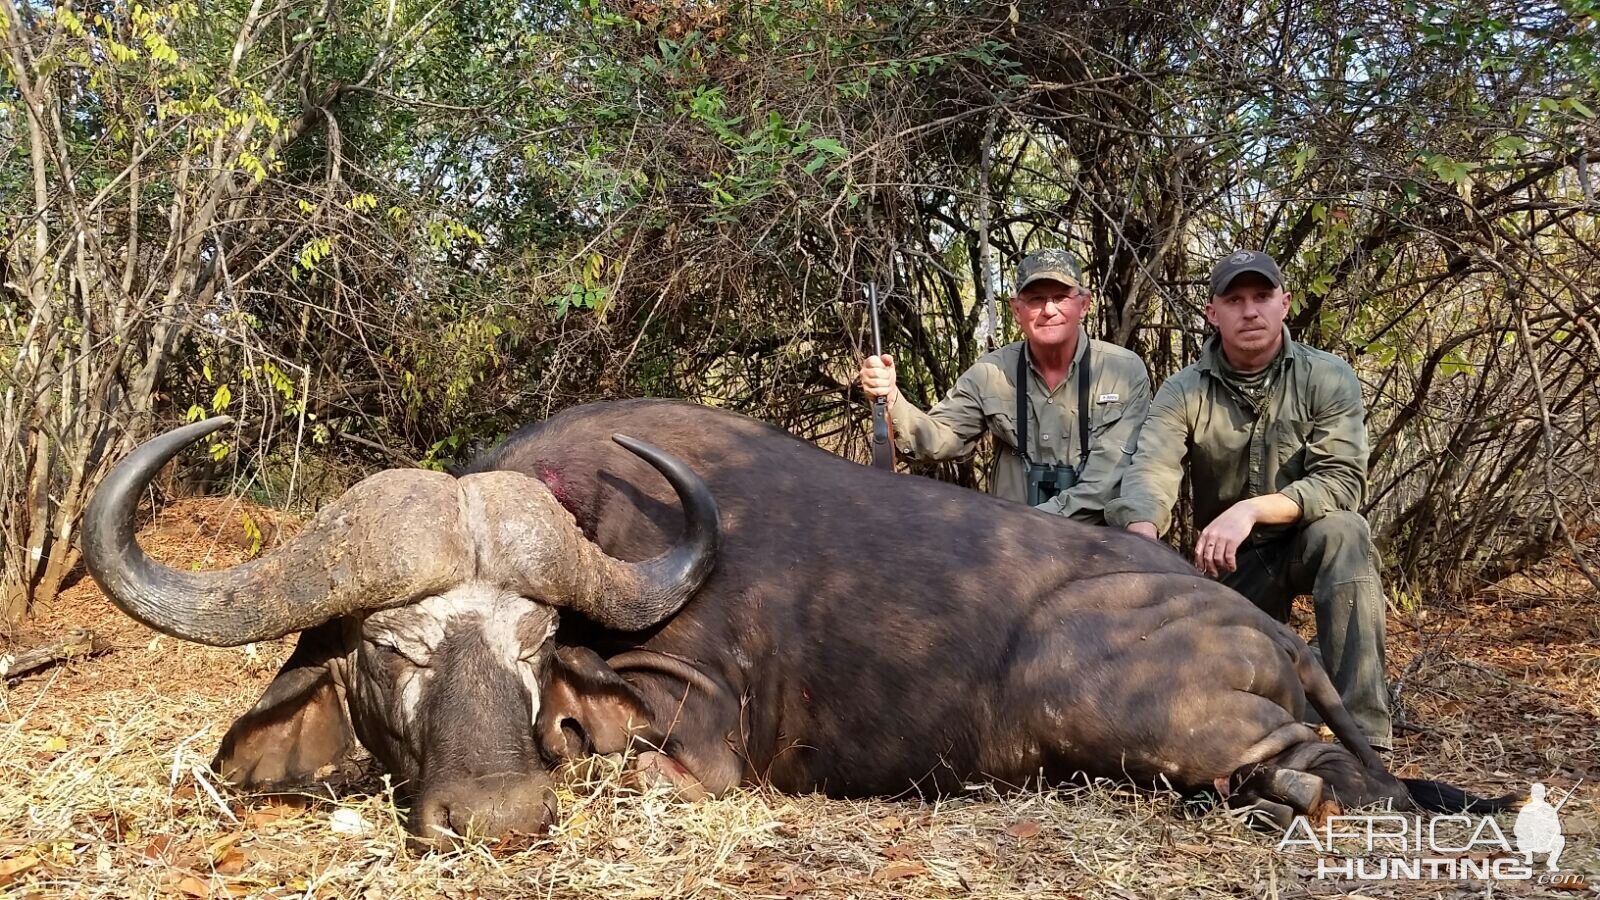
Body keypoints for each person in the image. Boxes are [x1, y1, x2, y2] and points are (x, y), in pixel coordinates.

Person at [1105, 249, 1393, 748]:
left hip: (1301, 541)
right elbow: (1152, 470)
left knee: (1347, 533)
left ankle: (1366, 736)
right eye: (1234, 300)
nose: (1250, 311)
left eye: (1262, 297)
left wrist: (1251, 509)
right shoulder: (1183, 390)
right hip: (1226, 566)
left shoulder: (1326, 376)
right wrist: (1141, 541)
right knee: (1191, 682)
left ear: (1284, 303)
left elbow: (1342, 481)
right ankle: (1305, 684)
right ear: (1213, 315)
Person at [858, 248, 1151, 523]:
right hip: (1009, 554)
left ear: (1083, 304)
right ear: (1016, 309)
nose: (1049, 310)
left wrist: (1029, 525)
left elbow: (1106, 483)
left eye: (1061, 297)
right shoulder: (991, 372)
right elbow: (939, 439)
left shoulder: (1123, 372)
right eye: (1035, 299)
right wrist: (892, 397)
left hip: (1093, 546)